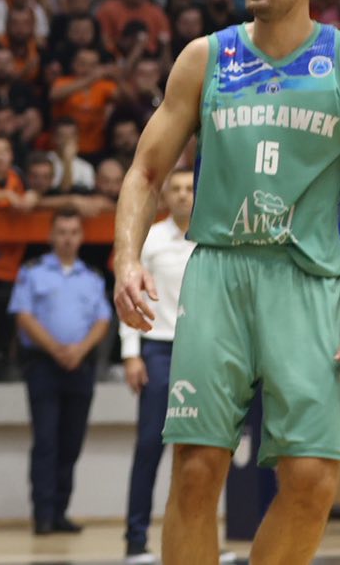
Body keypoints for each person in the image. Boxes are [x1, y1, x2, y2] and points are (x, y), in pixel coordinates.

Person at [113, 0, 340, 565]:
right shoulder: (205, 57)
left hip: (307, 278)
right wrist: (126, 258)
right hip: (218, 271)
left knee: (312, 480)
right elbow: (145, 171)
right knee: (195, 470)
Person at [9, 212, 111, 536]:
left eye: (74, 232)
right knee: (46, 441)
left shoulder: (92, 277)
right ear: (51, 236)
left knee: (71, 442)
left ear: (81, 237)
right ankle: (42, 514)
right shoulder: (33, 271)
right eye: (62, 232)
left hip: (80, 366)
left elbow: (102, 319)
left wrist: (79, 351)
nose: (68, 238)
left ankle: (60, 512)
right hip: (43, 365)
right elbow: (24, 316)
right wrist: (56, 349)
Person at [120, 168, 196, 563]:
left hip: (201, 352)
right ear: (165, 196)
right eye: (176, 189)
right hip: (157, 351)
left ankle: (196, 541)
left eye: (190, 188)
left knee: (201, 449)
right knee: (149, 445)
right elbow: (128, 296)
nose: (183, 195)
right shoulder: (149, 239)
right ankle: (136, 540)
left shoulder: (211, 239)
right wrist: (131, 352)